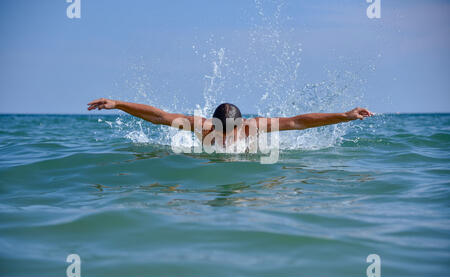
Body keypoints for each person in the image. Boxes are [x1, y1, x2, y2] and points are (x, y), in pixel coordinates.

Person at [87, 98, 373, 146]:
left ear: (241, 125)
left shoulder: (253, 126)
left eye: (229, 132)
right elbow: (159, 117)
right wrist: (119, 104)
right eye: (219, 132)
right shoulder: (199, 125)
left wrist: (345, 116)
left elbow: (298, 122)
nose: (223, 139)